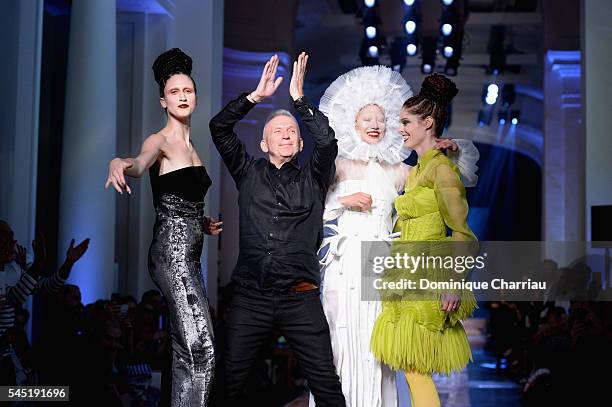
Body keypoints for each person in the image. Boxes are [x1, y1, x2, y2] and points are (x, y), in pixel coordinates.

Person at [311, 66, 478, 407]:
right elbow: (307, 204)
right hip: (368, 271)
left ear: (424, 124)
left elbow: (458, 223)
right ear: (352, 123)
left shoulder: (414, 170)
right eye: (368, 118)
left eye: (392, 120)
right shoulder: (350, 166)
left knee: (401, 361)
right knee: (353, 347)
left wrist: (452, 280)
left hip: (400, 271)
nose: (382, 126)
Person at [209, 52, 345, 406]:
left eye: (292, 132)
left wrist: (299, 102)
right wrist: (254, 97)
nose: (286, 135)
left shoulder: (314, 177)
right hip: (251, 297)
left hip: (300, 298)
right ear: (263, 144)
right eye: (277, 132)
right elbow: (218, 128)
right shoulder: (247, 170)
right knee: (229, 382)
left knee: (327, 385)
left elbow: (328, 143)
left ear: (300, 144)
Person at [105, 48, 221, 406]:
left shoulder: (192, 145)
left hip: (188, 256)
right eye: (175, 92)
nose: (183, 97)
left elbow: (178, 197)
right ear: (162, 100)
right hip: (172, 256)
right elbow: (139, 165)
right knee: (201, 350)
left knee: (186, 348)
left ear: (196, 96)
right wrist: (117, 162)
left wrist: (200, 222)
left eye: (188, 91)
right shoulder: (161, 141)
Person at [370, 74, 478, 407]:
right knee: (412, 369)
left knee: (416, 369)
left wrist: (454, 282)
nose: (399, 128)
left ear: (428, 122)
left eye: (405, 121)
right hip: (407, 274)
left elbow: (462, 231)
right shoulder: (418, 170)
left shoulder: (441, 169)